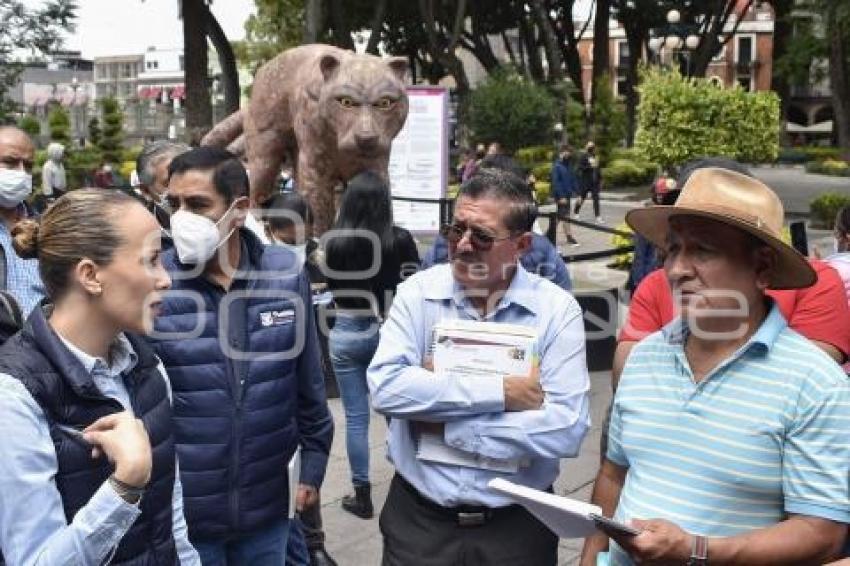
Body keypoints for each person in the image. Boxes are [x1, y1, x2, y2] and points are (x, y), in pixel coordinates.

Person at [580, 168, 850, 566]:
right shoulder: (643, 358)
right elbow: (613, 474)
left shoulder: (815, 383)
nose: (677, 270)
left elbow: (821, 533)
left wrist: (698, 551)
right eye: (672, 250)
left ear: (762, 268)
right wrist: (590, 557)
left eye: (703, 250)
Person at [368, 168, 591, 565]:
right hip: (419, 523)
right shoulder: (417, 294)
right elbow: (387, 388)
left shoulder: (556, 311)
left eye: (482, 237)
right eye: (456, 230)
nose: (463, 246)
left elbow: (566, 428)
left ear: (522, 244)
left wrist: (449, 425)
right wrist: (503, 393)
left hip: (517, 528)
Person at [148, 147, 334, 563]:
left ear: (239, 210)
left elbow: (308, 384)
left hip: (268, 510)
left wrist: (314, 465)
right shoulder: (154, 281)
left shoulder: (284, 273)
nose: (181, 218)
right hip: (186, 521)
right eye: (173, 204)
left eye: (197, 205)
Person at [0, 189, 200, 564]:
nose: (166, 280)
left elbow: (172, 524)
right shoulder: (14, 396)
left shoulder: (147, 367)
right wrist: (123, 488)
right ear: (90, 275)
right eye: (152, 261)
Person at [324, 171, 420, 520]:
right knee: (400, 414)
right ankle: (411, 485)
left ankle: (361, 495)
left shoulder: (333, 241)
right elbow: (415, 284)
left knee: (355, 418)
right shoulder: (398, 239)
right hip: (388, 328)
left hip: (346, 329)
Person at [263, 192, 338, 566]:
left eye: (302, 231)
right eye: (287, 233)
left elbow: (331, 297)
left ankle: (313, 541)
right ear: (270, 229)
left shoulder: (316, 257)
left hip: (312, 364)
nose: (297, 239)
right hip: (273, 384)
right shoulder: (259, 268)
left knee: (308, 465)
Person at [0, 126, 46, 314]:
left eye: (28, 165)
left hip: (49, 337)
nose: (21, 173)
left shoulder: (46, 225)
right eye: (10, 162)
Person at [134, 140, 190, 230]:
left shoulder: (218, 221)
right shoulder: (136, 235)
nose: (187, 191)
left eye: (191, 180)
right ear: (146, 191)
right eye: (171, 183)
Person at [551, 144, 579, 247]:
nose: (569, 154)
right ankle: (548, 235)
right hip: (560, 195)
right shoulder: (557, 166)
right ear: (562, 152)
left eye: (570, 152)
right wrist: (561, 196)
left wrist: (578, 193)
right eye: (567, 152)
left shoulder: (568, 165)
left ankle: (568, 236)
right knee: (561, 215)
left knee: (565, 215)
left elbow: (573, 179)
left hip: (567, 195)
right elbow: (556, 182)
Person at [573, 141, 603, 223]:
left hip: (594, 182)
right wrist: (589, 166)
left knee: (596, 199)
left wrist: (600, 179)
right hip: (586, 181)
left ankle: (598, 216)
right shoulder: (583, 156)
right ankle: (576, 212)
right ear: (586, 147)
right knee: (582, 198)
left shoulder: (596, 157)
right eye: (589, 146)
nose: (591, 148)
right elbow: (580, 167)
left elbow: (598, 168)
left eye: (592, 146)